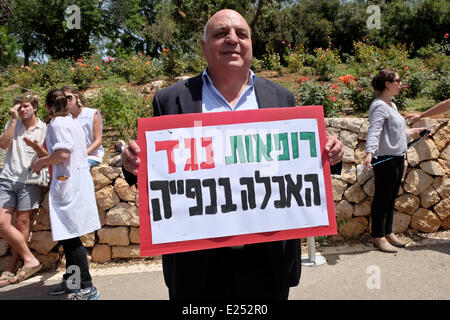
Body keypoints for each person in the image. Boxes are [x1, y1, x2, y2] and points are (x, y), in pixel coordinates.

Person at [122, 9, 344, 300]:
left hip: (267, 259)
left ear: (251, 44)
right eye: (220, 34)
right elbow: (157, 177)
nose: (232, 40)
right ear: (203, 48)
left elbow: (298, 168)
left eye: (241, 34)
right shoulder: (171, 99)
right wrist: (133, 164)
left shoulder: (281, 98)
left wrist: (332, 156)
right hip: (197, 262)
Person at [30, 89, 101, 300]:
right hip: (73, 182)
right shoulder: (72, 122)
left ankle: (87, 287)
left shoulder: (58, 124)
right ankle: (72, 282)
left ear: (47, 107)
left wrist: (40, 162)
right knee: (68, 236)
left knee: (71, 237)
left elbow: (63, 153)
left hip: (69, 184)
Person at [363, 69, 428, 253]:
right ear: (387, 84)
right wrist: (369, 153)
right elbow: (374, 132)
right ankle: (378, 236)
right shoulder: (379, 106)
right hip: (385, 160)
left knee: (391, 197)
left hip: (397, 158)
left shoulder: (392, 105)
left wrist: (416, 132)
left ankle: (388, 232)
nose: (401, 83)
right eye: (398, 81)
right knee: (382, 198)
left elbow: (398, 134)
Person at [0, 94, 45, 287]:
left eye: (26, 106)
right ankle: (30, 259)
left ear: (35, 107)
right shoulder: (13, 123)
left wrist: (35, 146)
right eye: (19, 106)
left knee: (22, 224)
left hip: (29, 181)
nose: (22, 109)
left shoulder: (45, 128)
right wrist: (13, 120)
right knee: (2, 223)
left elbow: (47, 155)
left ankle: (13, 266)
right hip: (7, 178)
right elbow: (3, 144)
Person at [61, 86, 104, 168]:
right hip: (72, 156)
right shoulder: (65, 118)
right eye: (63, 99)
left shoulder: (91, 114)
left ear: (76, 97)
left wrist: (82, 154)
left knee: (78, 166)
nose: (67, 101)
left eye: (69, 97)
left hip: (91, 155)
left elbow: (98, 141)